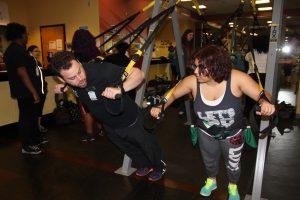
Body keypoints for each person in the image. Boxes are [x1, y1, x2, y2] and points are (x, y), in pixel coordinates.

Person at [151, 45, 275, 199]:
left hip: (232, 133)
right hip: (206, 132)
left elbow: (264, 94)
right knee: (209, 161)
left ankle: (233, 186)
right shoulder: (192, 81)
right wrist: (161, 105)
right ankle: (211, 181)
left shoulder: (237, 78)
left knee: (233, 165)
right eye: (195, 66)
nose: (195, 71)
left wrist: (265, 103)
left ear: (216, 67)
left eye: (201, 67)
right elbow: (172, 95)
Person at [51, 51, 166, 182]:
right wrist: (65, 86)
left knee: (148, 145)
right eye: (72, 78)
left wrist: (120, 89)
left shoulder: (101, 70)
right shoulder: (69, 82)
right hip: (109, 125)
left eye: (79, 71)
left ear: (79, 62)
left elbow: (139, 74)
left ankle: (159, 167)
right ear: (61, 78)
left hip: (131, 120)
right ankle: (145, 164)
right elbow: (76, 85)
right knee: (128, 148)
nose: (80, 78)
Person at [4, 22, 48, 155]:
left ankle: (34, 139)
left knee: (32, 116)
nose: (27, 36)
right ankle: (27, 145)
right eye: (26, 34)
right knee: (26, 118)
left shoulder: (18, 49)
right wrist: (33, 92)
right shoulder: (15, 51)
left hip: (26, 91)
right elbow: (22, 72)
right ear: (21, 35)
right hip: (25, 91)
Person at [71, 29, 104, 142]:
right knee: (97, 106)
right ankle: (101, 129)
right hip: (97, 83)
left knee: (85, 108)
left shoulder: (75, 56)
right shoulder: (97, 53)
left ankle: (90, 133)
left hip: (82, 84)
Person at [244, 35, 269, 118]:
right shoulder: (269, 54)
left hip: (251, 77)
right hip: (265, 77)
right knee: (263, 99)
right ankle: (259, 118)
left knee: (249, 100)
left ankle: (247, 118)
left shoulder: (250, 54)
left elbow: (246, 59)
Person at [27, 45, 48, 133]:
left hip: (41, 90)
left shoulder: (38, 63)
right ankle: (34, 129)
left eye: (38, 51)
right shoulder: (29, 62)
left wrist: (44, 88)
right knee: (34, 111)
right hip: (35, 92)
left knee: (39, 110)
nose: (38, 53)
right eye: (36, 51)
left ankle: (38, 126)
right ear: (30, 52)